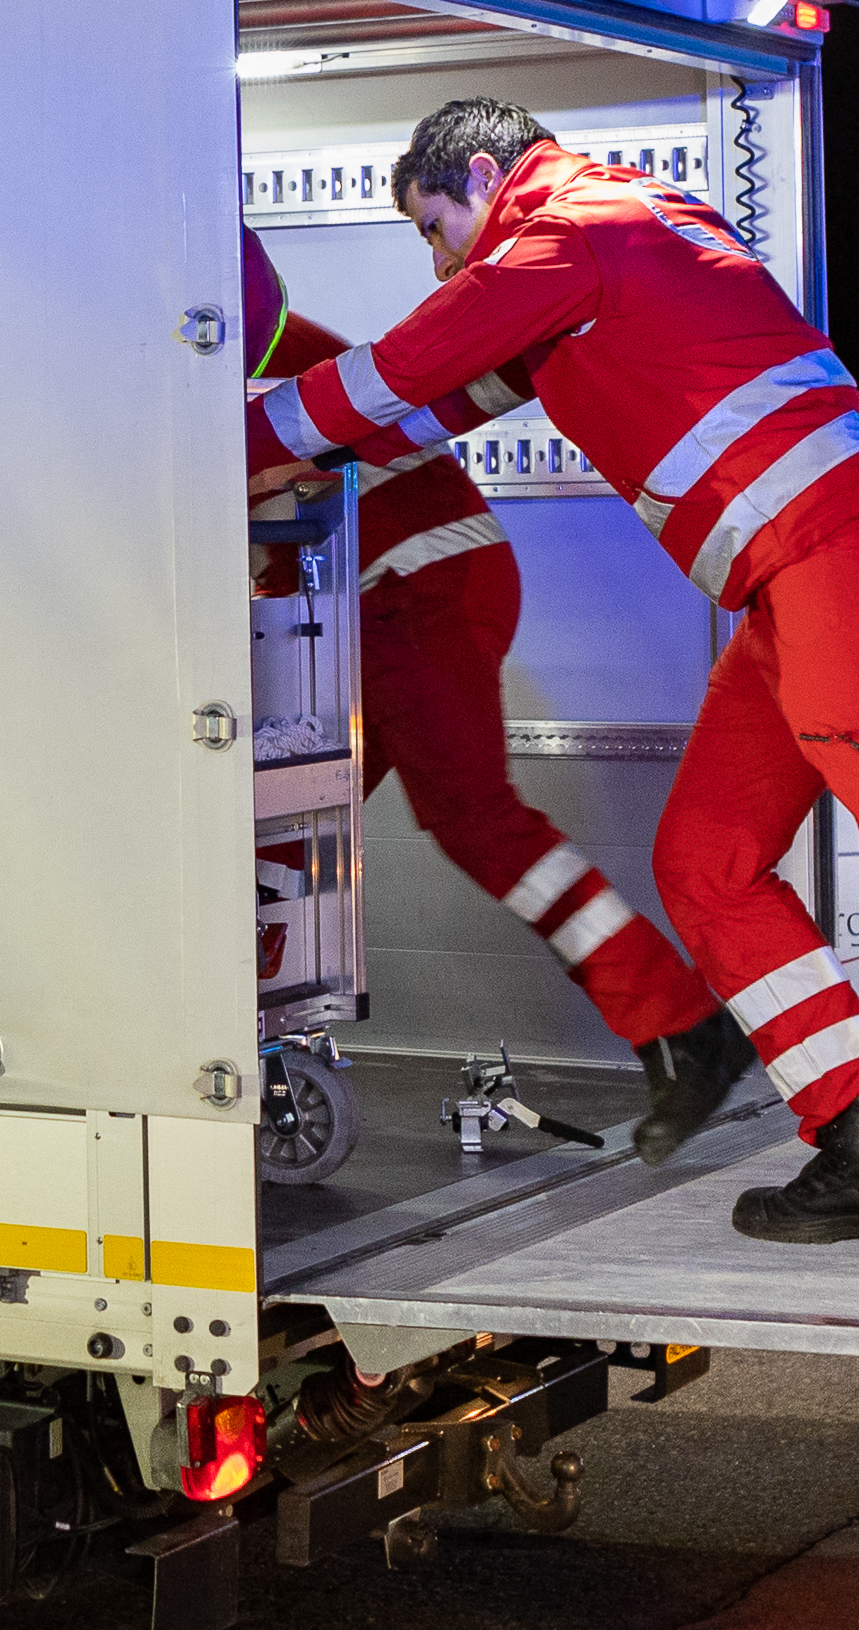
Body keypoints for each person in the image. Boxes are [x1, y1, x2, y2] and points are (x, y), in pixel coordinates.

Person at [246, 95, 859, 1296]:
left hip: (840, 569)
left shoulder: (564, 229)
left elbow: (394, 369)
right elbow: (433, 403)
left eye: (432, 224)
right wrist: (304, 445)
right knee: (709, 864)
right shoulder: (610, 241)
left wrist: (203, 444)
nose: (435, 255)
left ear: (481, 173)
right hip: (795, 587)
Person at [239, 233, 719, 1098]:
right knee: (281, 819)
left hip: (406, 594)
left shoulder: (228, 380)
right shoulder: (278, 344)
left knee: (468, 817)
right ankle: (248, 1019)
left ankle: (676, 1021)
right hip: (411, 591)